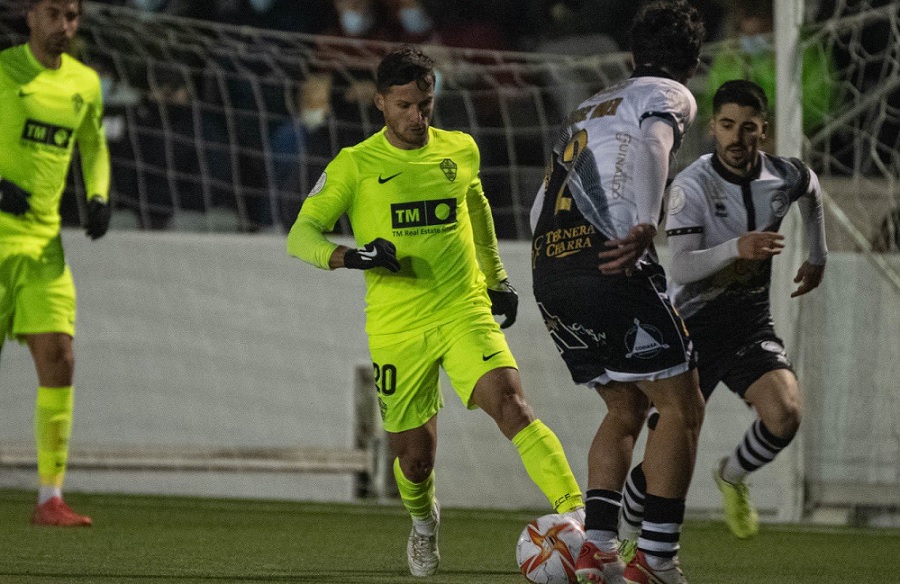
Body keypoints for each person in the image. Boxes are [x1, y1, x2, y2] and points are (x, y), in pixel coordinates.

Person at [286, 46, 584, 578]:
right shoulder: (354, 165)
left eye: (425, 104)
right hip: (397, 326)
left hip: (462, 307)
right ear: (380, 103)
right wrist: (353, 256)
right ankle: (424, 524)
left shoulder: (460, 150)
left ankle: (581, 521)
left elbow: (478, 209)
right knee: (414, 460)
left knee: (513, 404)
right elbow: (299, 235)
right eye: (404, 105)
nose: (417, 117)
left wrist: (498, 280)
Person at [530, 2, 706, 583]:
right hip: (608, 256)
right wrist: (645, 221)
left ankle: (597, 549)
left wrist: (550, 257)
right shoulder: (669, 93)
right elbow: (656, 141)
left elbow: (544, 193)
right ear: (694, 60)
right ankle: (655, 560)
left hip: (549, 266)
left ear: (632, 54)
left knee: (624, 406)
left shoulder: (589, 104)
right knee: (682, 405)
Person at [618, 79, 827, 547]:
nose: (736, 137)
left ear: (763, 131)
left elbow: (811, 191)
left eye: (747, 128)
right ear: (713, 127)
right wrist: (738, 248)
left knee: (785, 413)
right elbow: (683, 267)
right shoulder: (691, 186)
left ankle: (731, 476)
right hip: (688, 329)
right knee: (660, 462)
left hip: (748, 325)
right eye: (727, 125)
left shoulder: (783, 176)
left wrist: (818, 257)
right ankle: (626, 536)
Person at [0, 0, 111, 526]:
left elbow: (92, 144)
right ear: (30, 17)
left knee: (60, 358)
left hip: (44, 245)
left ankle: (50, 497)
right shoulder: (3, 71)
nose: (63, 26)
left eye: (72, 16)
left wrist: (99, 195)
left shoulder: (85, 83)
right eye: (53, 14)